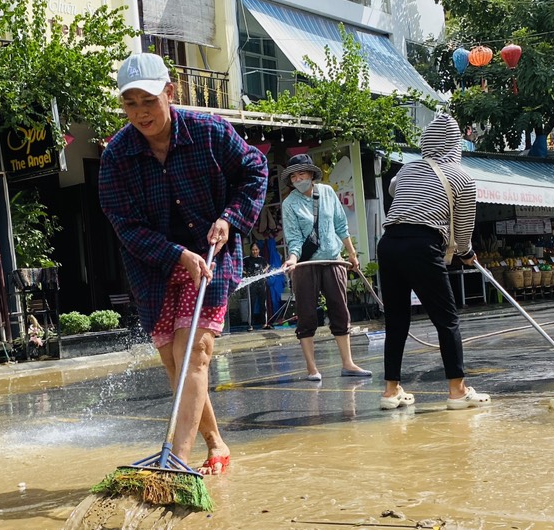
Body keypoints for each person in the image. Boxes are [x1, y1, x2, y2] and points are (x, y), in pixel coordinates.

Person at [99, 52, 267, 475]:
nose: (140, 113)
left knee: (194, 351)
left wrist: (230, 219)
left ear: (169, 93)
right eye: (130, 104)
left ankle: (176, 463)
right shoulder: (117, 157)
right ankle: (216, 442)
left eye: (148, 101)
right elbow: (125, 225)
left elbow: (256, 170)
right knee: (174, 361)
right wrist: (176, 255)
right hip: (153, 264)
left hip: (211, 253)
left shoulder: (209, 132)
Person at [376, 113, 490, 411]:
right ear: (456, 145)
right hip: (422, 245)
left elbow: (395, 189)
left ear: (426, 142)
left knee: (396, 320)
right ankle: (457, 391)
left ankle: (390, 391)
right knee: (446, 319)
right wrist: (466, 253)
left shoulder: (407, 169)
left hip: (388, 244)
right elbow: (463, 231)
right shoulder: (463, 178)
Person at [281, 153, 372, 380]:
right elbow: (293, 238)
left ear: (311, 174)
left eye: (301, 173)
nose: (298, 178)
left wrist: (351, 254)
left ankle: (348, 363)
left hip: (333, 260)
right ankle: (312, 368)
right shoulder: (289, 203)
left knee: (340, 311)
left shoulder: (328, 193)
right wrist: (293, 258)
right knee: (307, 316)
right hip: (306, 265)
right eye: (293, 176)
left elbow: (341, 224)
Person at [243, 242, 271, 330]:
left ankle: (264, 323)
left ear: (259, 250)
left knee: (263, 303)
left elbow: (267, 266)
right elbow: (240, 268)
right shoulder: (247, 259)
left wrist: (264, 272)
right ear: (251, 250)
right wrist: (246, 273)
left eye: (256, 250)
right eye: (253, 250)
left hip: (261, 284)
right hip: (251, 285)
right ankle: (250, 324)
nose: (255, 251)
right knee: (251, 303)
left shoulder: (262, 259)